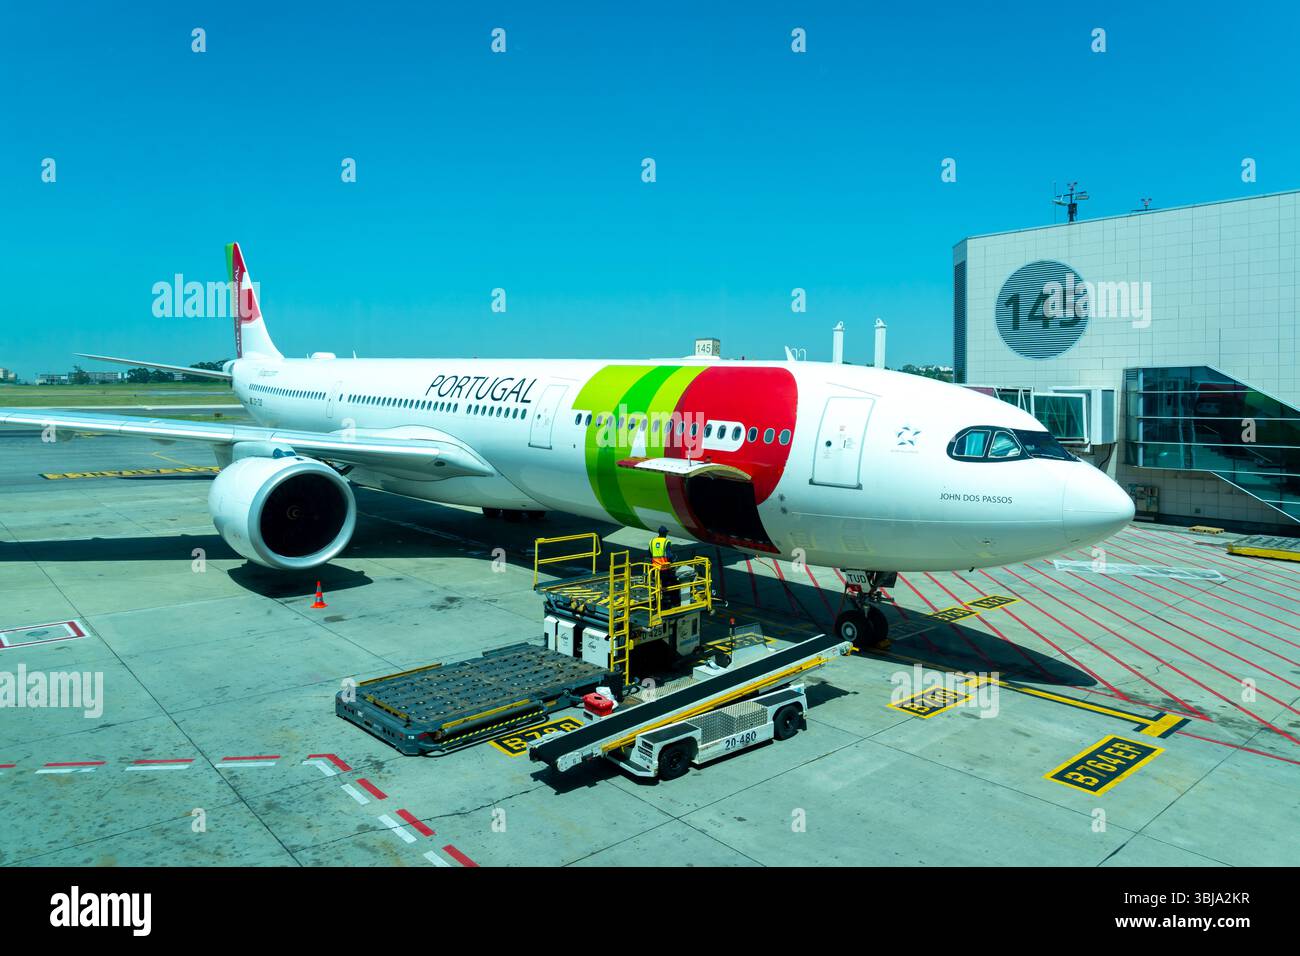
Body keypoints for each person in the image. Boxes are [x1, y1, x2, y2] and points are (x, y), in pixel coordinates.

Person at [650, 526, 679, 609]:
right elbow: (669, 555)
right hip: (665, 569)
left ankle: (657, 603)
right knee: (674, 584)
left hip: (655, 568)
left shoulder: (652, 541)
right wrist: (675, 558)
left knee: (657, 586)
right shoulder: (667, 542)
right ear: (665, 533)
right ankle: (674, 602)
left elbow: (650, 553)